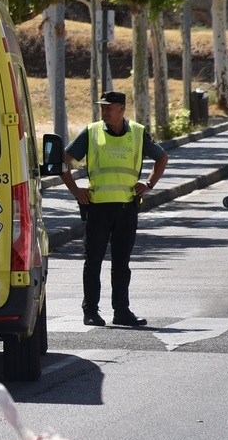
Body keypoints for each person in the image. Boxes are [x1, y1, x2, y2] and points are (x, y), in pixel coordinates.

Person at [60, 91, 169, 327]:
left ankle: (122, 311)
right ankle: (90, 311)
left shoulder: (138, 133)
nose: (104, 111)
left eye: (109, 107)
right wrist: (76, 191)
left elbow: (162, 158)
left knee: (122, 262)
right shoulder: (92, 132)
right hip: (97, 207)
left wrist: (149, 183)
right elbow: (62, 160)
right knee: (94, 261)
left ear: (121, 108)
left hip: (127, 207)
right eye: (102, 107)